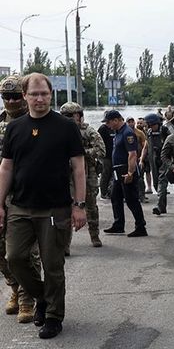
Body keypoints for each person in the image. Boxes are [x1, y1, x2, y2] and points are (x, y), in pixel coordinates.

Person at [0, 73, 87, 339]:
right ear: (25, 97)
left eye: (44, 94)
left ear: (51, 95)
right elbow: (6, 167)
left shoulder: (65, 127)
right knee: (13, 258)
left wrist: (79, 205)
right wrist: (0, 203)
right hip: (20, 207)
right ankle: (43, 298)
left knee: (52, 265)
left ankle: (53, 316)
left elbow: (78, 167)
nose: (39, 99)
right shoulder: (15, 128)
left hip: (55, 208)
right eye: (34, 94)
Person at [0, 75, 38, 324]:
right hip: (1, 192)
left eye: (15, 96)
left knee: (25, 251)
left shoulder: (36, 121)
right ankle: (14, 287)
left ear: (24, 95)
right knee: (2, 251)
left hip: (26, 195)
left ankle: (28, 297)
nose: (11, 101)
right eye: (6, 97)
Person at [60, 102, 105, 253]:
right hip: (66, 174)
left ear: (79, 116)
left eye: (70, 116)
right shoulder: (59, 131)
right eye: (64, 116)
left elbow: (101, 150)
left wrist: (79, 153)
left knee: (91, 206)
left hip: (88, 172)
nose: (67, 119)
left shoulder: (88, 131)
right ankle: (65, 244)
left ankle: (94, 236)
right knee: (66, 208)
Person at [102, 110, 148, 238]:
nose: (107, 125)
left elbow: (132, 154)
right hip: (118, 170)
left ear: (116, 120)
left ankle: (140, 226)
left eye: (108, 122)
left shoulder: (128, 133)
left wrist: (130, 173)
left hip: (126, 171)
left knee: (131, 199)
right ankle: (118, 225)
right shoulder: (118, 133)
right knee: (115, 197)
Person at [144, 113, 170, 215]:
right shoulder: (149, 132)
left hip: (164, 160)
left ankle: (159, 207)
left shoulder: (164, 131)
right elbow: (146, 145)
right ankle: (162, 207)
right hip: (153, 160)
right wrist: (142, 158)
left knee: (162, 183)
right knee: (156, 184)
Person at [127, 117, 148, 203]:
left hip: (138, 158)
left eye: (132, 121)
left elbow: (145, 147)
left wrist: (142, 159)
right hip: (128, 159)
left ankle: (142, 196)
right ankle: (129, 196)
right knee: (128, 178)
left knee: (140, 178)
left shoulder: (140, 133)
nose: (131, 123)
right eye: (129, 122)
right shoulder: (124, 133)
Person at [98, 117, 115, 199]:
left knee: (113, 175)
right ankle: (103, 193)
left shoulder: (114, 129)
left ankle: (110, 191)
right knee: (105, 174)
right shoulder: (102, 129)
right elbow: (98, 142)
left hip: (114, 155)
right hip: (105, 157)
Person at [136, 117, 153, 194]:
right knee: (140, 173)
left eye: (141, 123)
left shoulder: (147, 132)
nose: (139, 124)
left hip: (147, 155)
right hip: (138, 155)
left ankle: (149, 187)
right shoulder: (134, 132)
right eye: (138, 123)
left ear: (144, 123)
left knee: (148, 171)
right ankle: (140, 190)